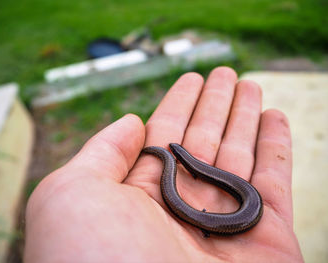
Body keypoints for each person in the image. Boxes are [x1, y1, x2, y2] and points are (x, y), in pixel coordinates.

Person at [24, 67, 303, 262]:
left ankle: (169, 159)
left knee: (190, 174)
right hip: (226, 217)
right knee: (195, 176)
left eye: (176, 155)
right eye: (175, 155)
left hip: (231, 217)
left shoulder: (193, 170)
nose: (175, 154)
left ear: (186, 166)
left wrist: (169, 156)